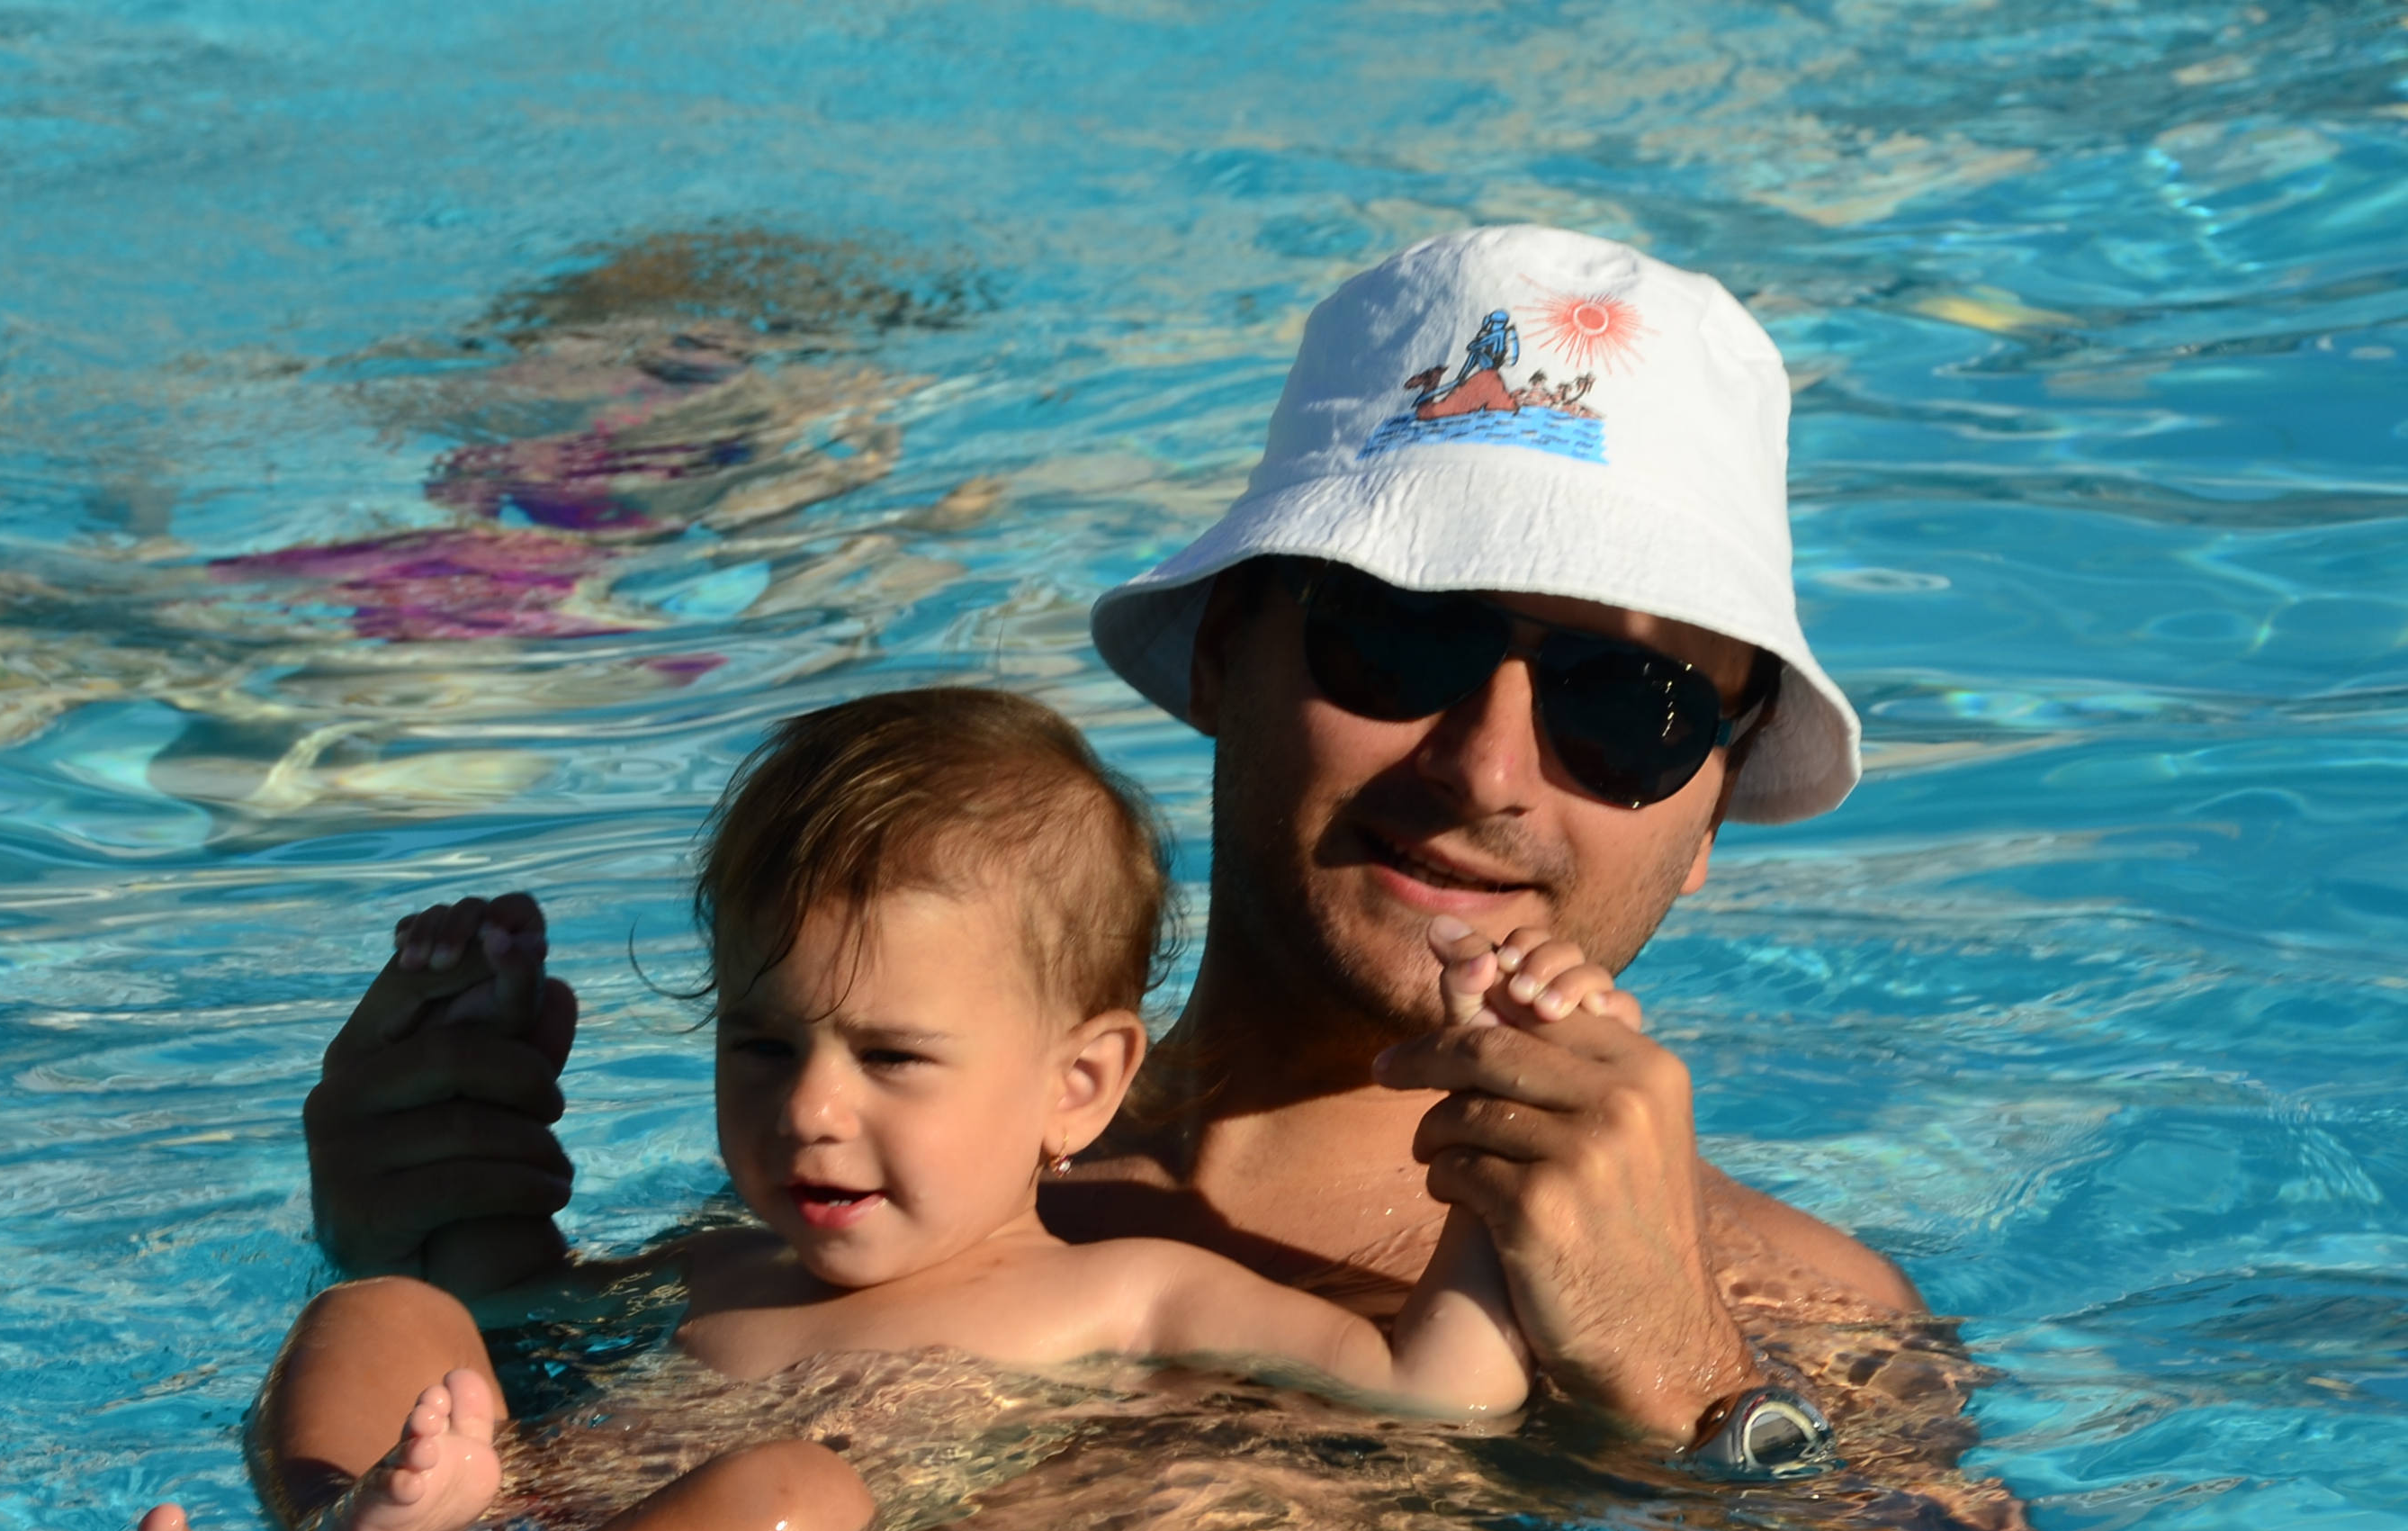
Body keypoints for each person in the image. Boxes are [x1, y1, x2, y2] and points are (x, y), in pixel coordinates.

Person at [299, 223, 1927, 1448]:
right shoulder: (860, 1199)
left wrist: (1676, 1383)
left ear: (1712, 810)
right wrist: (421, 1255)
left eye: (1629, 707)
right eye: (1401, 639)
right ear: (1223, 654)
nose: (1487, 768)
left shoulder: (1803, 1324)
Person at [85, 687, 1642, 1531]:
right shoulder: (714, 1266)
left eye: (892, 1059)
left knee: (793, 1491)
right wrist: (458, 1085)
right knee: (385, 1308)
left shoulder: (1130, 1290)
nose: (811, 1112)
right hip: (533, 1510)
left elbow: (1440, 1393)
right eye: (764, 1045)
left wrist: (1506, 1131)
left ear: (1081, 1083)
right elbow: (513, 1323)